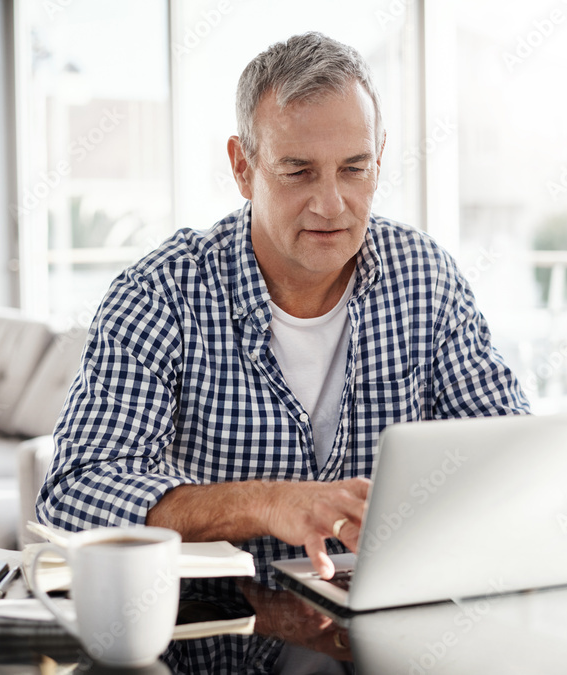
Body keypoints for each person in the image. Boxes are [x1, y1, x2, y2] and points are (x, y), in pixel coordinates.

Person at [37, 32, 529, 586]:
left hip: (390, 622)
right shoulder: (160, 295)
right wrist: (266, 503)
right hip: (222, 637)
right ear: (242, 167)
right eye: (298, 172)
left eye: (354, 168)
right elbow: (73, 495)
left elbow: (508, 453)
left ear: (380, 158)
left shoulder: (425, 276)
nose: (330, 204)